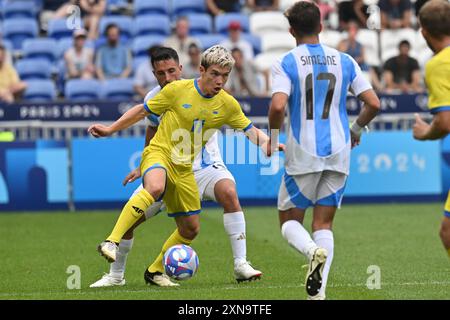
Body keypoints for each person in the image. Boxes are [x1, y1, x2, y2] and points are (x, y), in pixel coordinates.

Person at [88, 46, 283, 286]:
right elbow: (143, 112)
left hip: (187, 168)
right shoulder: (177, 90)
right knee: (154, 189)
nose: (219, 81)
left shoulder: (227, 104)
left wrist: (266, 142)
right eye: (214, 74)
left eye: (224, 76)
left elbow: (249, 129)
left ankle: (155, 271)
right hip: (161, 155)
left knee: (191, 228)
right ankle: (112, 250)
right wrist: (110, 130)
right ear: (201, 70)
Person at [268, 1, 380, 300]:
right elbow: (374, 103)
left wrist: (272, 136)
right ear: (321, 26)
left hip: (303, 150)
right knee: (324, 223)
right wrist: (356, 130)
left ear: (291, 30)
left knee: (290, 221)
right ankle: (318, 296)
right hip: (340, 148)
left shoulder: (286, 62)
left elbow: (278, 105)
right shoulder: (344, 60)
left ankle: (311, 252)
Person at [412, 0, 450, 258]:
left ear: (423, 31)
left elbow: (445, 122)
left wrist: (425, 132)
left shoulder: (437, 65)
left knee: (447, 232)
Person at [337, 21, 382, 91]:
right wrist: (349, 41)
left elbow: (363, 57)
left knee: (370, 69)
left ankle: (379, 88)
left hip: (358, 64)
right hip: (346, 64)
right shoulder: (343, 42)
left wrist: (357, 60)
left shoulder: (360, 45)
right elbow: (340, 54)